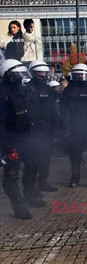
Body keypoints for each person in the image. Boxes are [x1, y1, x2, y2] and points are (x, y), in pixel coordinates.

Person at [60, 63, 87, 188]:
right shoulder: (69, 89)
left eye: (82, 74)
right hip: (75, 126)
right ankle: (75, 178)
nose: (80, 76)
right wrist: (65, 124)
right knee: (75, 153)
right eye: (77, 74)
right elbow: (63, 108)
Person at [0, 59, 33, 219]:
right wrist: (8, 143)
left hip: (23, 138)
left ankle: (30, 198)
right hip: (9, 140)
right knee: (10, 177)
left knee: (32, 166)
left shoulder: (20, 91)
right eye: (16, 74)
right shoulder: (2, 93)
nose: (20, 77)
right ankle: (20, 210)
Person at [24, 60, 57, 199]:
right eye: (40, 72)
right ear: (33, 72)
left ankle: (43, 183)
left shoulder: (48, 89)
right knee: (33, 161)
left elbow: (53, 110)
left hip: (47, 130)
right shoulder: (27, 88)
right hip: (34, 131)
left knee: (46, 158)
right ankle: (31, 191)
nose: (43, 75)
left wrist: (57, 127)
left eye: (44, 72)